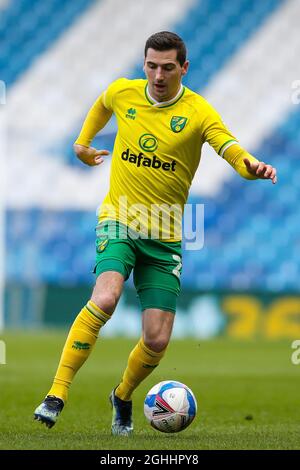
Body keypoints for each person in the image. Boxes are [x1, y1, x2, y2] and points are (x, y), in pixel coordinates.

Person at [34, 31, 277, 436]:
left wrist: (250, 165)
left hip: (165, 237)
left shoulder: (199, 112)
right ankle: (57, 394)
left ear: (184, 67)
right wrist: (82, 143)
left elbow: (228, 146)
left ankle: (123, 395)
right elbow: (102, 103)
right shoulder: (124, 93)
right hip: (119, 219)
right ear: (143, 63)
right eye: (151, 65)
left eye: (167, 67)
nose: (158, 75)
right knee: (107, 296)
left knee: (157, 340)